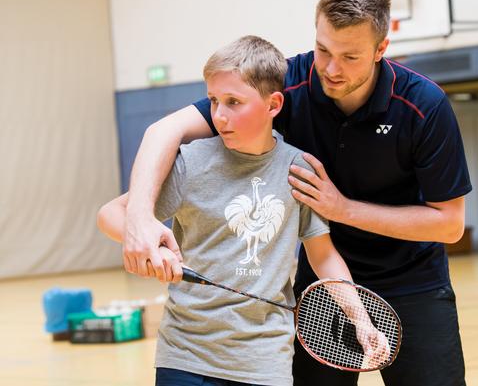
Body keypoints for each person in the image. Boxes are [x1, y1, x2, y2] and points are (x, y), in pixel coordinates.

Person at [123, 0, 471, 386]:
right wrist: (141, 218)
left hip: (412, 284)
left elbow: (449, 225)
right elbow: (163, 132)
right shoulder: (286, 85)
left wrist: (343, 210)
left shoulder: (423, 106)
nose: (331, 68)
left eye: (350, 57)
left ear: (382, 49)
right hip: (318, 289)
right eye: (323, 49)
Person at [97, 35, 385, 386]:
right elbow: (111, 214)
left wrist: (360, 318)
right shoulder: (192, 162)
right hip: (187, 355)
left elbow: (323, 256)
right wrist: (150, 244)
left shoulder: (299, 169)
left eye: (234, 102)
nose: (219, 115)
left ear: (273, 105)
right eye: (214, 101)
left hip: (265, 361)